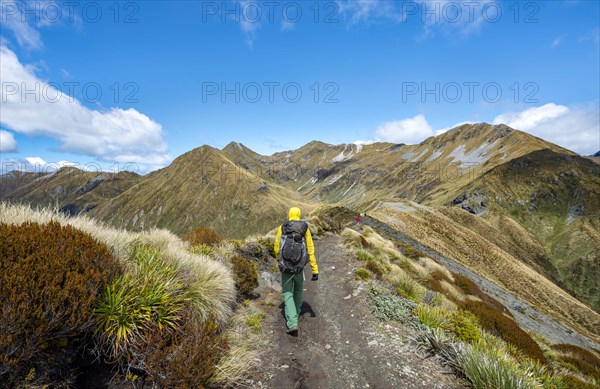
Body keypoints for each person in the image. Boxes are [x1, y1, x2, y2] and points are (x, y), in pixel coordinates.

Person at [274, 207, 319, 335]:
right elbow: (310, 249)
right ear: (299, 215)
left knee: (287, 292)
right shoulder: (305, 228)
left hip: (286, 267)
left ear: (289, 214)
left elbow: (277, 246)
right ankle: (296, 312)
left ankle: (292, 322)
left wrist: (280, 259)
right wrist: (315, 270)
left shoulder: (283, 227)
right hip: (299, 267)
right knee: (298, 289)